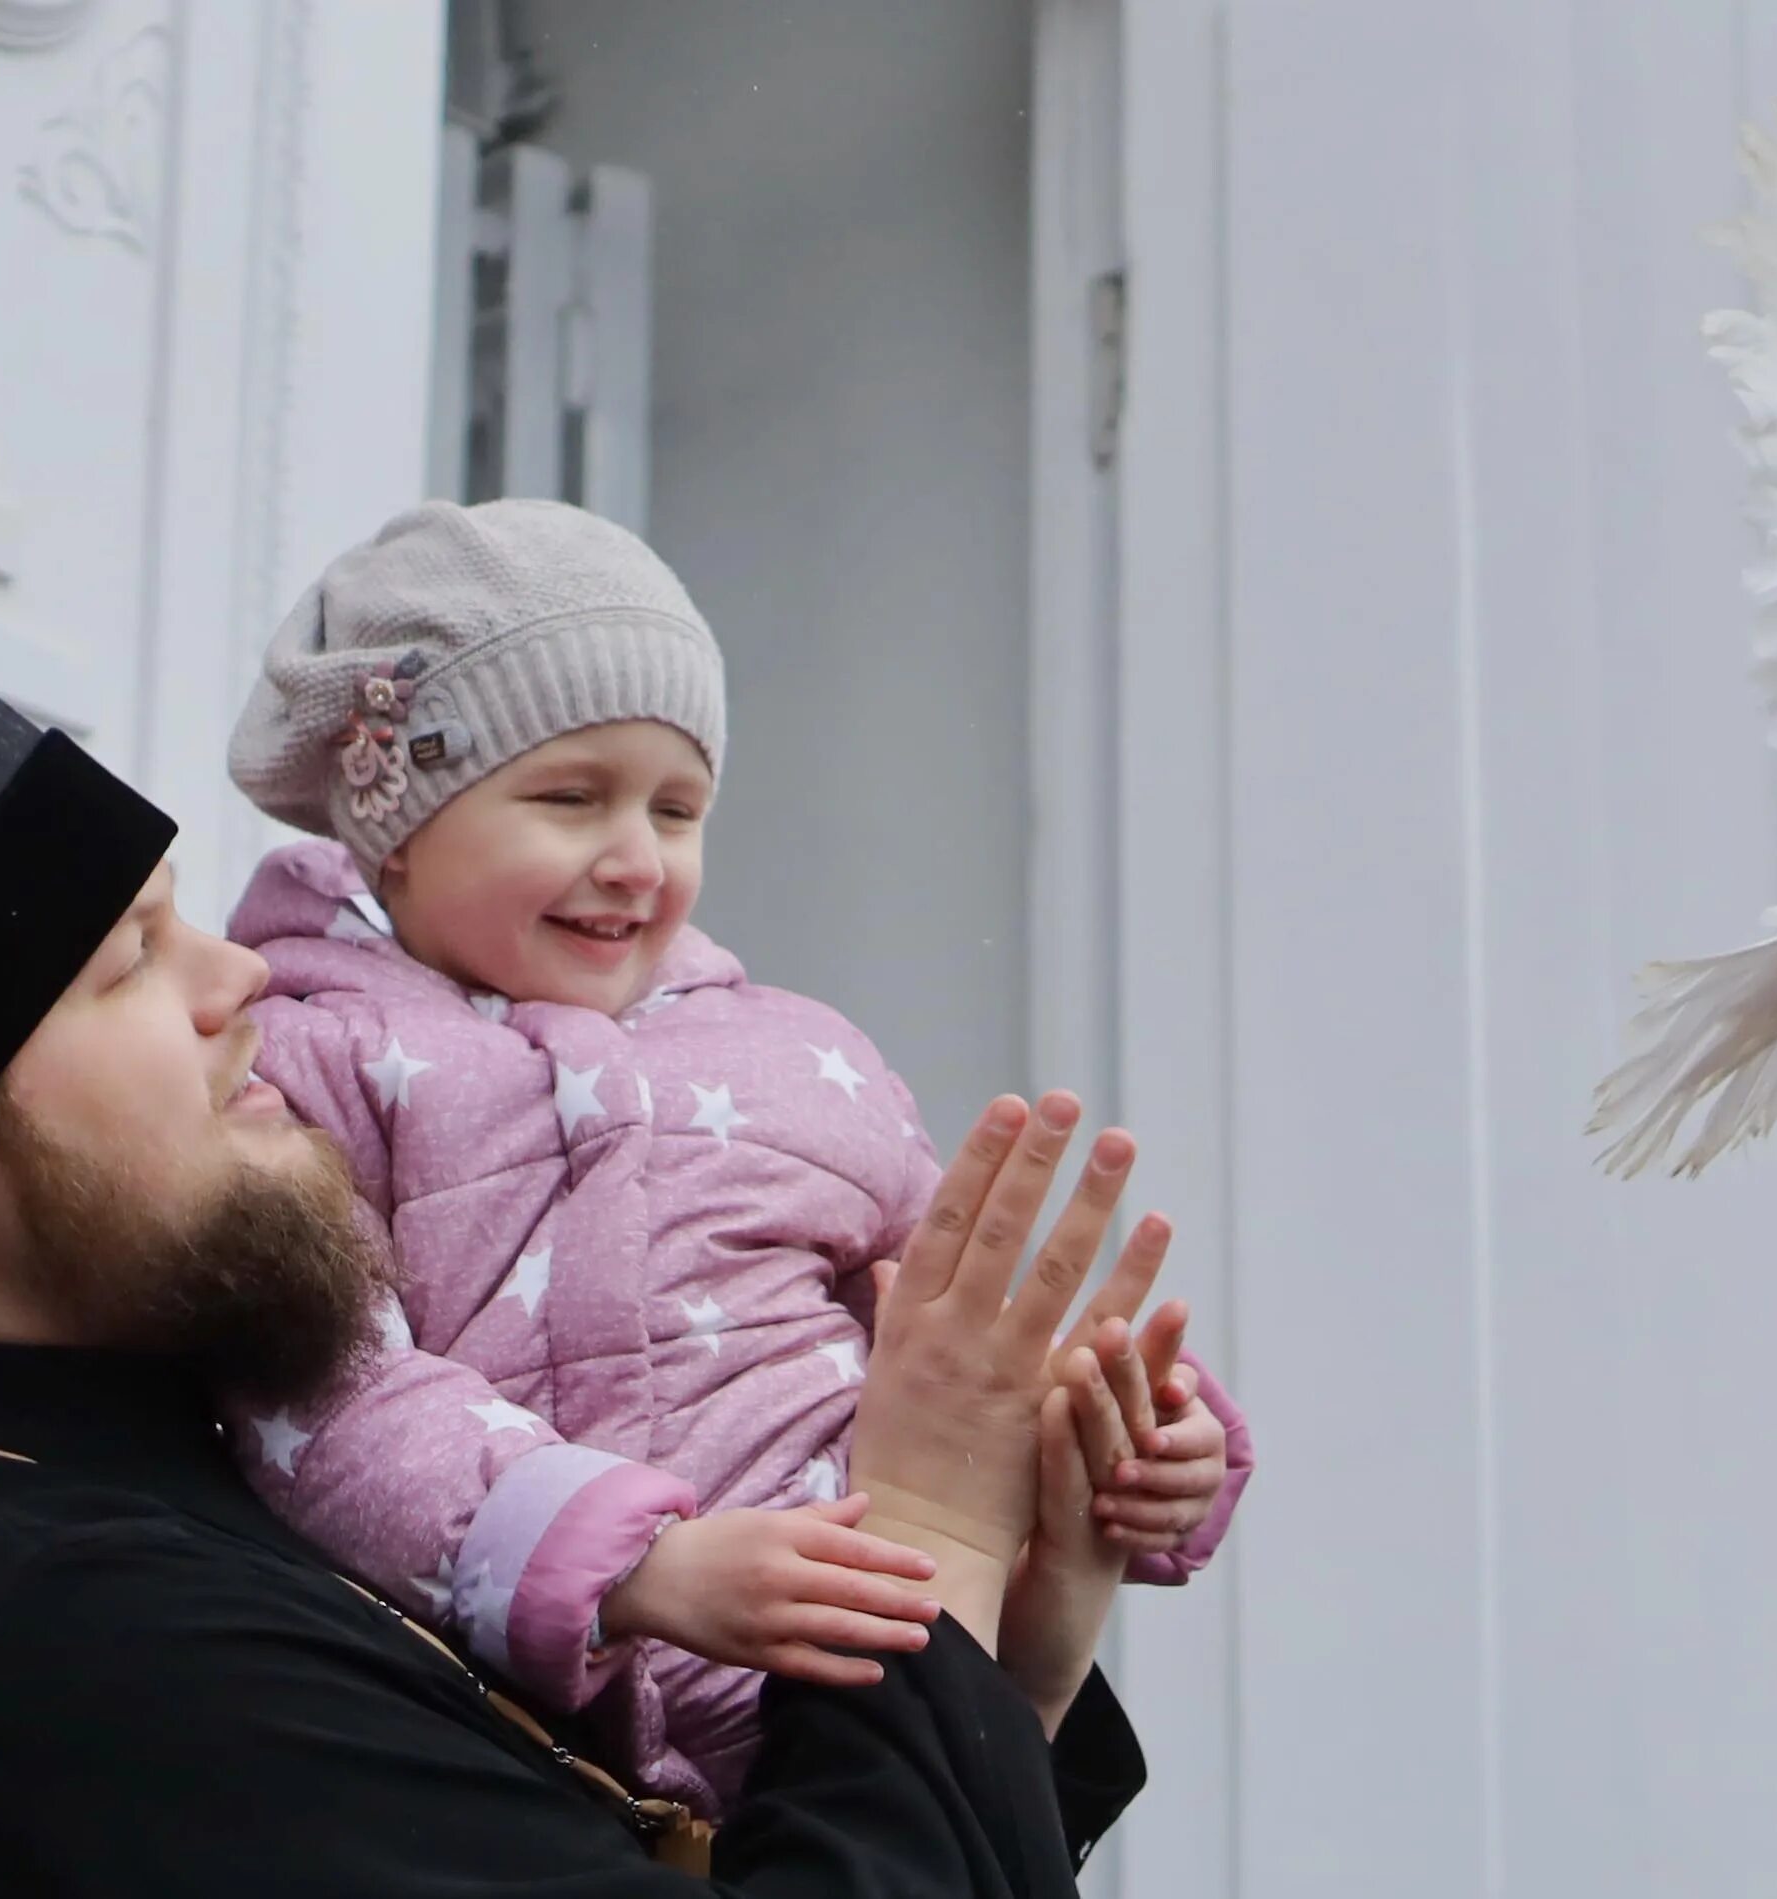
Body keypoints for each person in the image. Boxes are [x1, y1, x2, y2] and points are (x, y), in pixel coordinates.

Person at [0, 648, 1168, 1895]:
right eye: (128, 966)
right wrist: (929, 1535)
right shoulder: (48, 1634)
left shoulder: (226, 1468)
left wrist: (1012, 1667)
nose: (247, 977)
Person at [218, 497, 1257, 1808]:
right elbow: (328, 1401)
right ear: (391, 822)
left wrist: (1128, 1441)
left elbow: (947, 1330)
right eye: (568, 796)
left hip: (872, 1719)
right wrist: (637, 1571)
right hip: (519, 1780)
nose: (635, 859)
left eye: (677, 808)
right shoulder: (310, 1063)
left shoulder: (790, 1057)